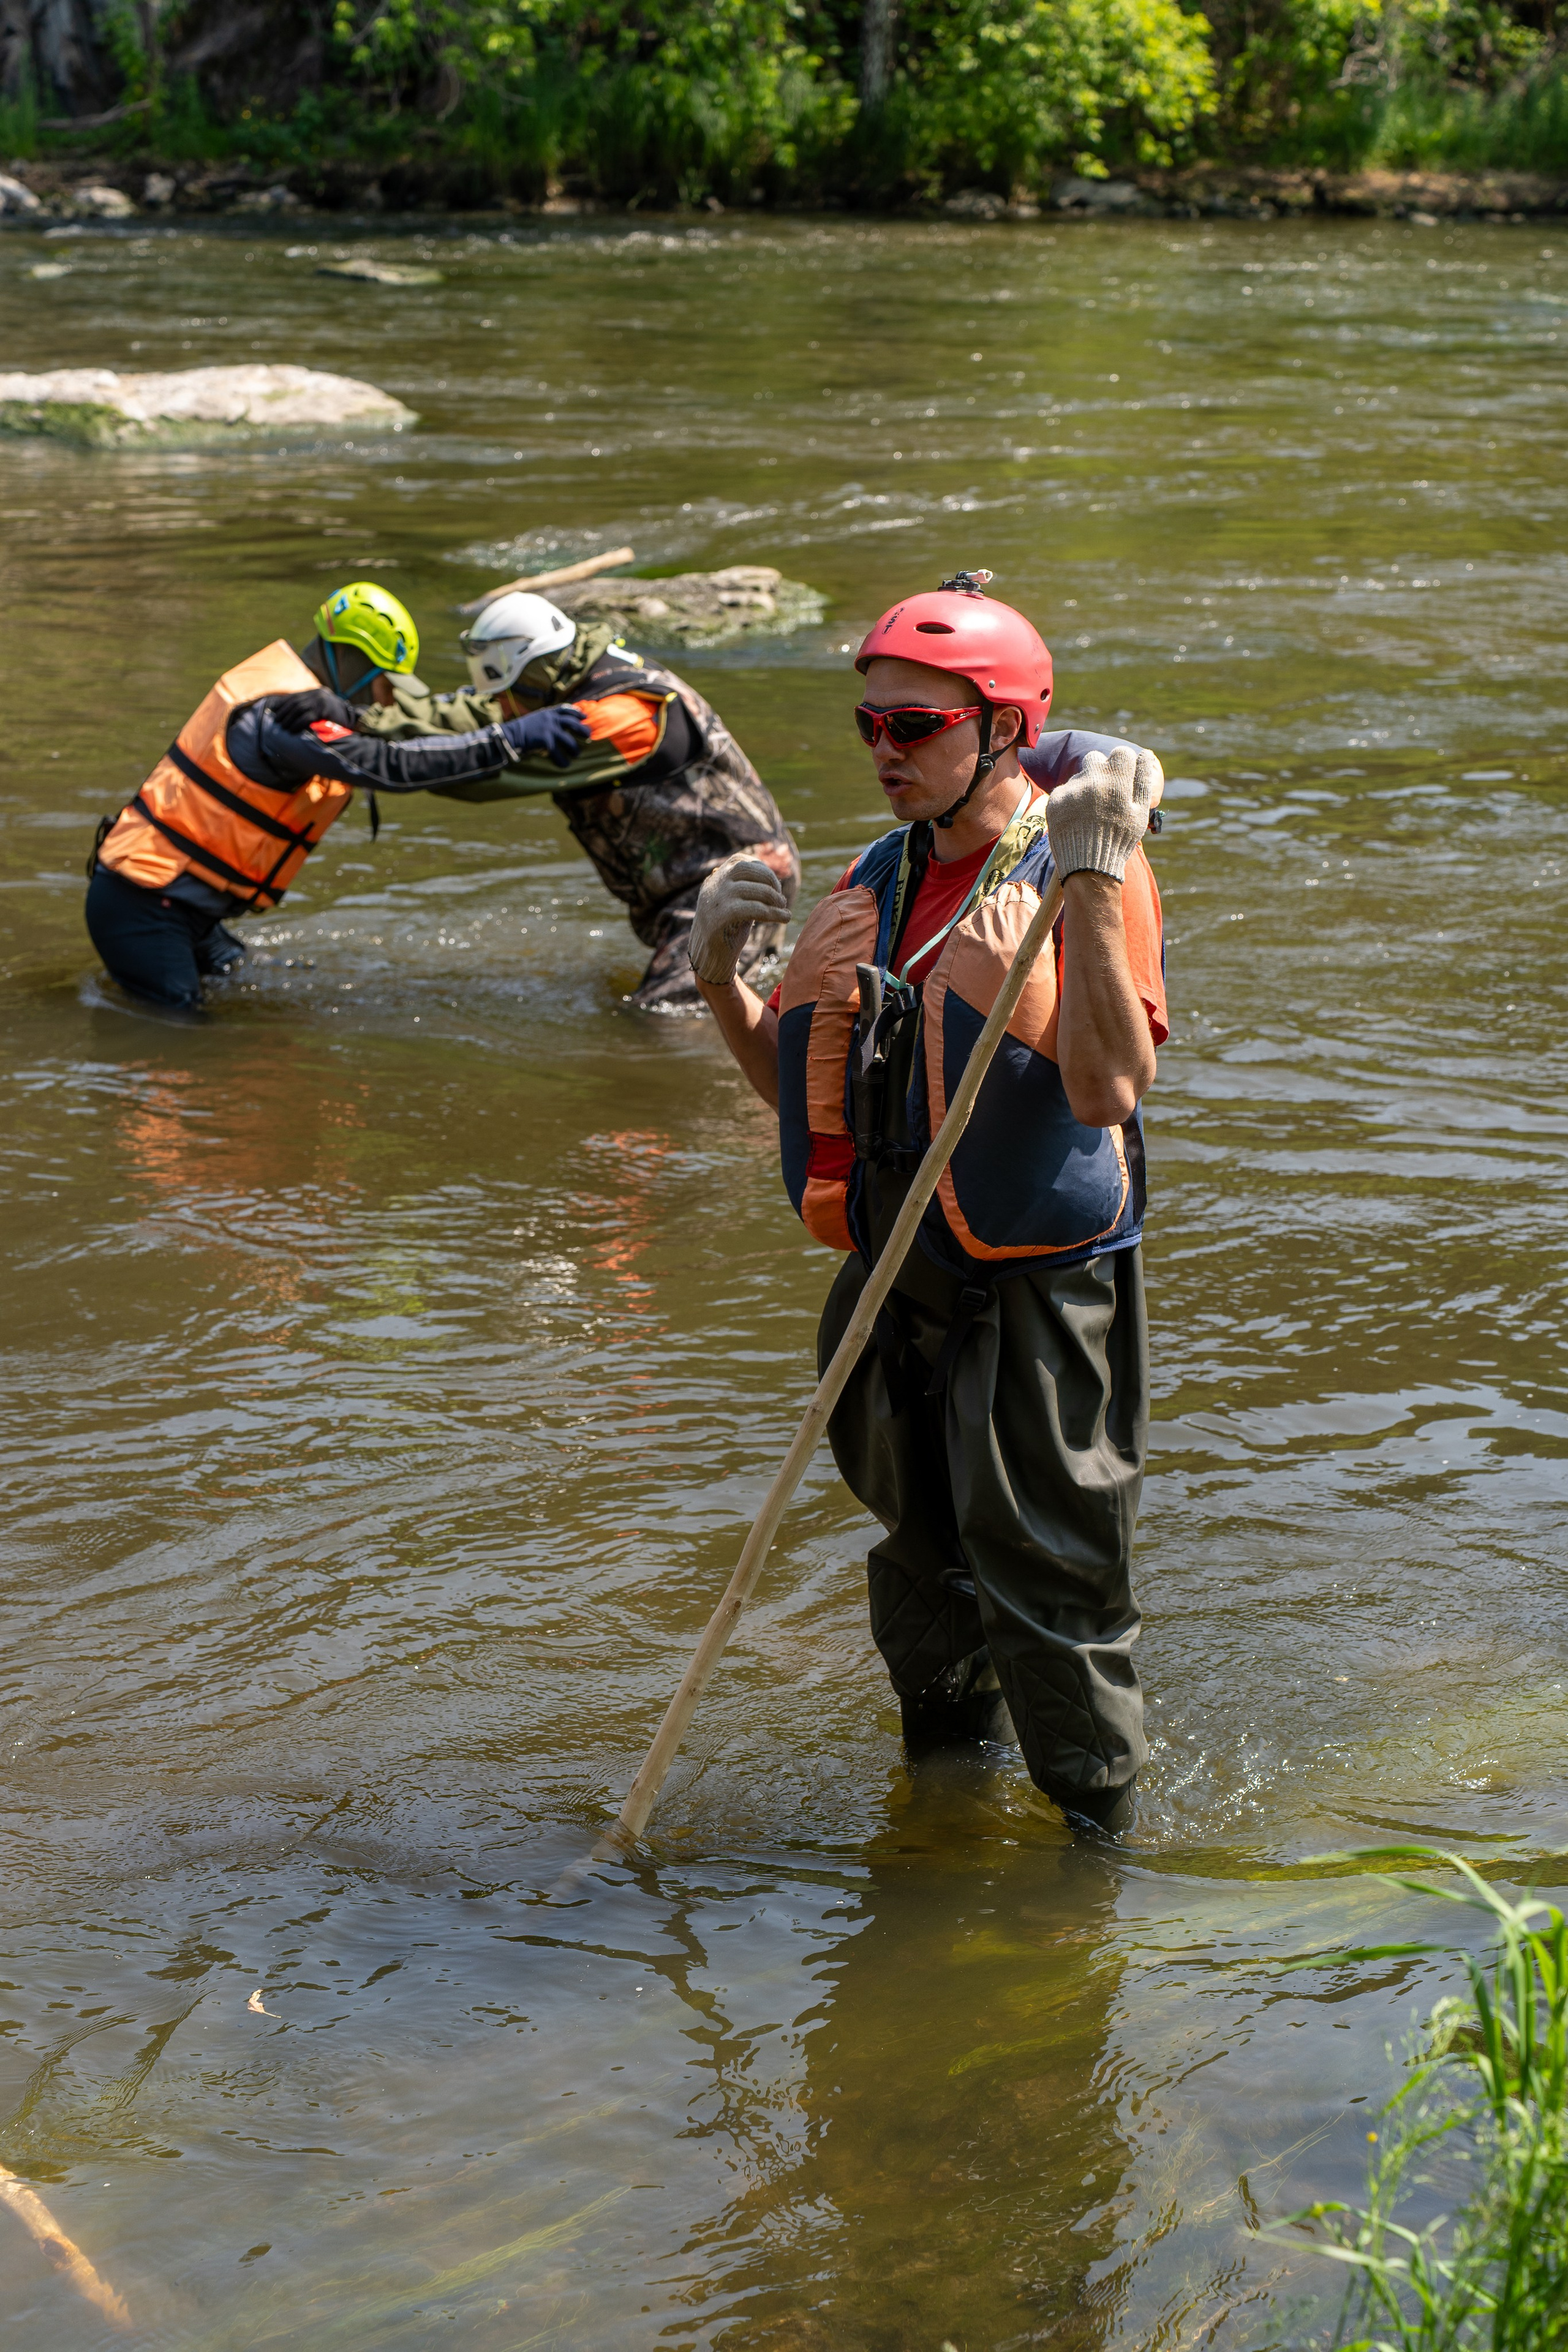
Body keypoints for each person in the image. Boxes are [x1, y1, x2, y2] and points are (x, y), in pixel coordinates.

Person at [687, 572, 1167, 1836]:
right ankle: (942, 1824)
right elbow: (814, 1105)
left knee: (1051, 1590)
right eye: (871, 727)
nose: (884, 753)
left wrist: (1094, 900)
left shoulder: (1078, 876)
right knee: (919, 1577)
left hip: (1034, 1295)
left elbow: (1111, 1086)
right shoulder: (878, 874)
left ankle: (1092, 1871)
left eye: (915, 728)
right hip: (898, 1290)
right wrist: (722, 981)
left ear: (1002, 729)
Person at [85, 581, 587, 1012]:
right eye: (385, 686)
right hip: (146, 905)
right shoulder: (284, 719)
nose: (387, 701)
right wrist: (512, 740)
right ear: (352, 663)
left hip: (183, 906)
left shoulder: (304, 697)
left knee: (261, 994)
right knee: (178, 1044)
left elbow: (404, 725)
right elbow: (389, 767)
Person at [353, 589, 801, 1012]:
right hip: (689, 886)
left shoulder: (612, 719)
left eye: (509, 696)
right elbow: (482, 713)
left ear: (533, 675)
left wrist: (363, 757)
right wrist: (368, 720)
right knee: (681, 1014)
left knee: (668, 1028)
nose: (505, 710)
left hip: (732, 889)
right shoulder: (568, 674)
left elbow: (481, 774)